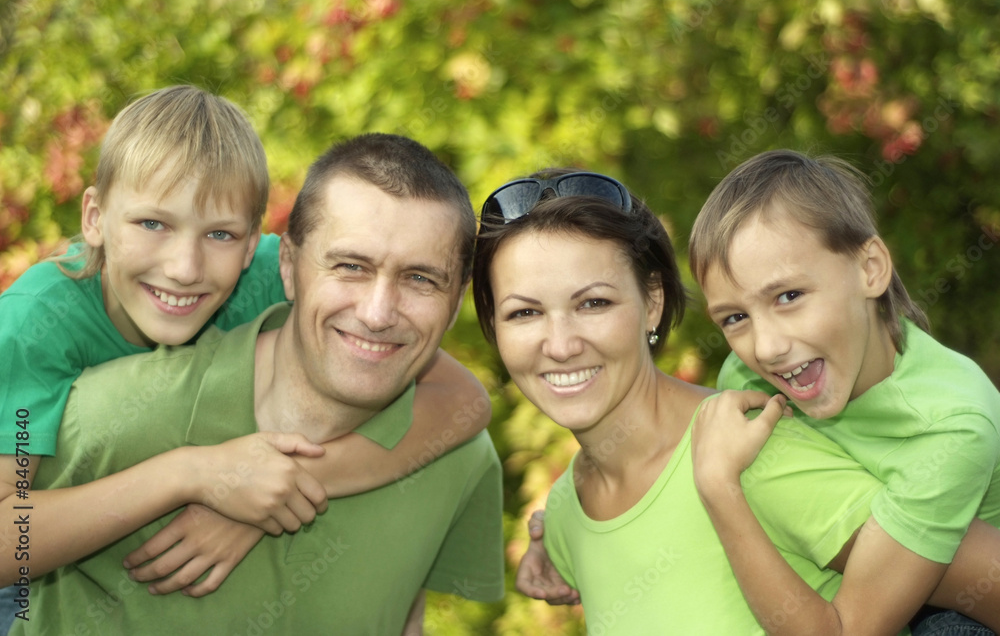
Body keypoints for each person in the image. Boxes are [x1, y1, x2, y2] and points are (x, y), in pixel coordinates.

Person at [0, 87, 488, 626]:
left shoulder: (271, 276)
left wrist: (279, 492)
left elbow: (463, 399)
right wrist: (193, 474)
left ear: (255, 241)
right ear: (94, 216)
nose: (186, 267)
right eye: (152, 224)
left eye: (220, 234)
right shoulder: (31, 327)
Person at [476, 169, 1000, 633]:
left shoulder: (758, 447)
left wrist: (719, 486)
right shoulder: (570, 509)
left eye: (593, 302)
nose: (561, 344)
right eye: (523, 313)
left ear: (652, 302)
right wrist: (552, 548)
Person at [688, 149, 1000, 634]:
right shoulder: (746, 378)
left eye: (788, 296)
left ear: (870, 269)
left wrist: (718, 488)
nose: (766, 347)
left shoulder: (954, 424)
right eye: (735, 318)